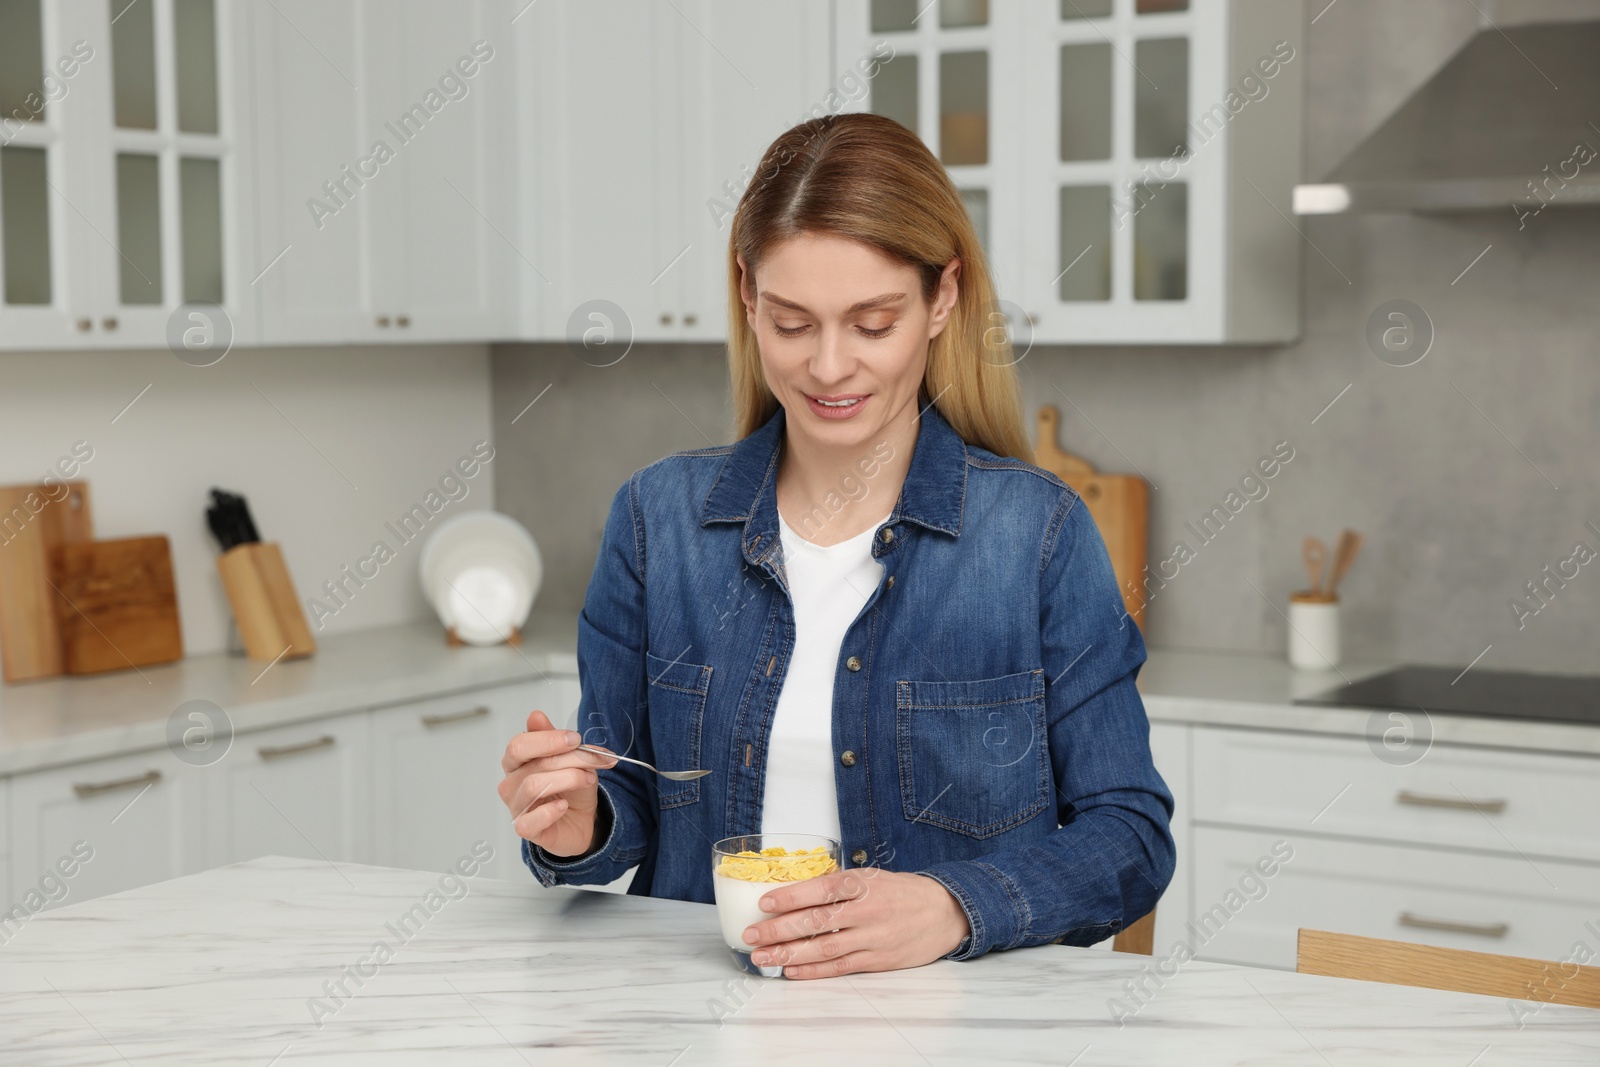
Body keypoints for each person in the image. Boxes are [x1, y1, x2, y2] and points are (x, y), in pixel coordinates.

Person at [498, 112, 1173, 980]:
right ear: (746, 295)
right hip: (702, 1025)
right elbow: (624, 794)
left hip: (953, 1031)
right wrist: (576, 821)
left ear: (942, 298)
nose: (826, 367)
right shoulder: (655, 518)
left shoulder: (1035, 534)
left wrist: (954, 905)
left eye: (871, 323)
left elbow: (1130, 835)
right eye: (791, 323)